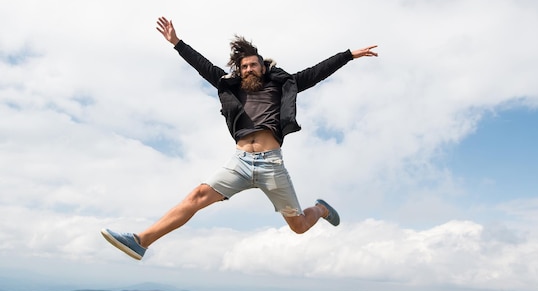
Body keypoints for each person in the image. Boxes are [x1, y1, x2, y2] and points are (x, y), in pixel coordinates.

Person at [101, 16, 378, 260]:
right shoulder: (229, 86)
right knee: (197, 195)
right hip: (240, 162)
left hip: (272, 164)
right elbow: (203, 66)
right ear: (239, 69)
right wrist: (177, 42)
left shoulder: (282, 86)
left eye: (253, 65)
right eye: (244, 67)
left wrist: (348, 55)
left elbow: (317, 72)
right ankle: (141, 241)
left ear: (263, 67)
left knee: (299, 227)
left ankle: (319, 209)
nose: (249, 69)